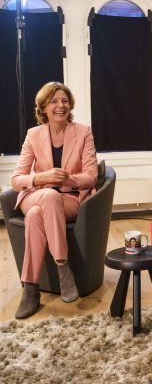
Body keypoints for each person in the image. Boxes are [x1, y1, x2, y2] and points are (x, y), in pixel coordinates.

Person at [11, 81, 98, 319]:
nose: (61, 106)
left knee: (35, 216)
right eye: (54, 101)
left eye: (65, 101)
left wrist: (69, 179)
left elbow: (91, 176)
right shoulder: (33, 135)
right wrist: (42, 177)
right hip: (36, 195)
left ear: (70, 105)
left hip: (69, 199)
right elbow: (16, 180)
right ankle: (63, 266)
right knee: (47, 196)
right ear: (43, 107)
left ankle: (30, 289)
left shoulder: (83, 132)